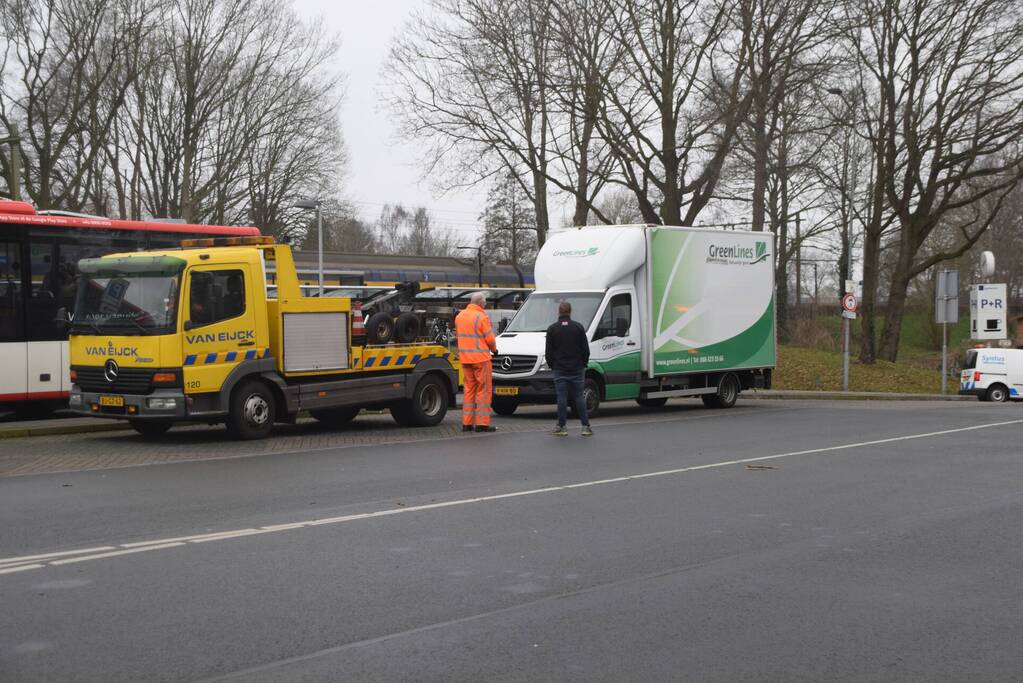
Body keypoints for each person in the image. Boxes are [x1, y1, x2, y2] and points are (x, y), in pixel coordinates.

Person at [545, 301, 593, 437]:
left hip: (560, 368)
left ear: (559, 312)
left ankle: (562, 427)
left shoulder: (552, 329)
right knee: (579, 397)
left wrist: (553, 365)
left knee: (562, 397)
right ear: (570, 312)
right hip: (577, 368)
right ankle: (585, 427)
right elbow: (585, 350)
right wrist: (583, 363)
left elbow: (549, 352)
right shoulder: (578, 327)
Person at [456, 292, 499, 432]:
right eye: (485, 302)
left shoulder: (459, 316)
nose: (485, 305)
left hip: (465, 359)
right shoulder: (481, 317)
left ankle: (467, 424)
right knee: (483, 391)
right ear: (480, 302)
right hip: (481, 359)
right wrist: (494, 350)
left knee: (469, 391)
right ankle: (482, 424)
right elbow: (490, 339)